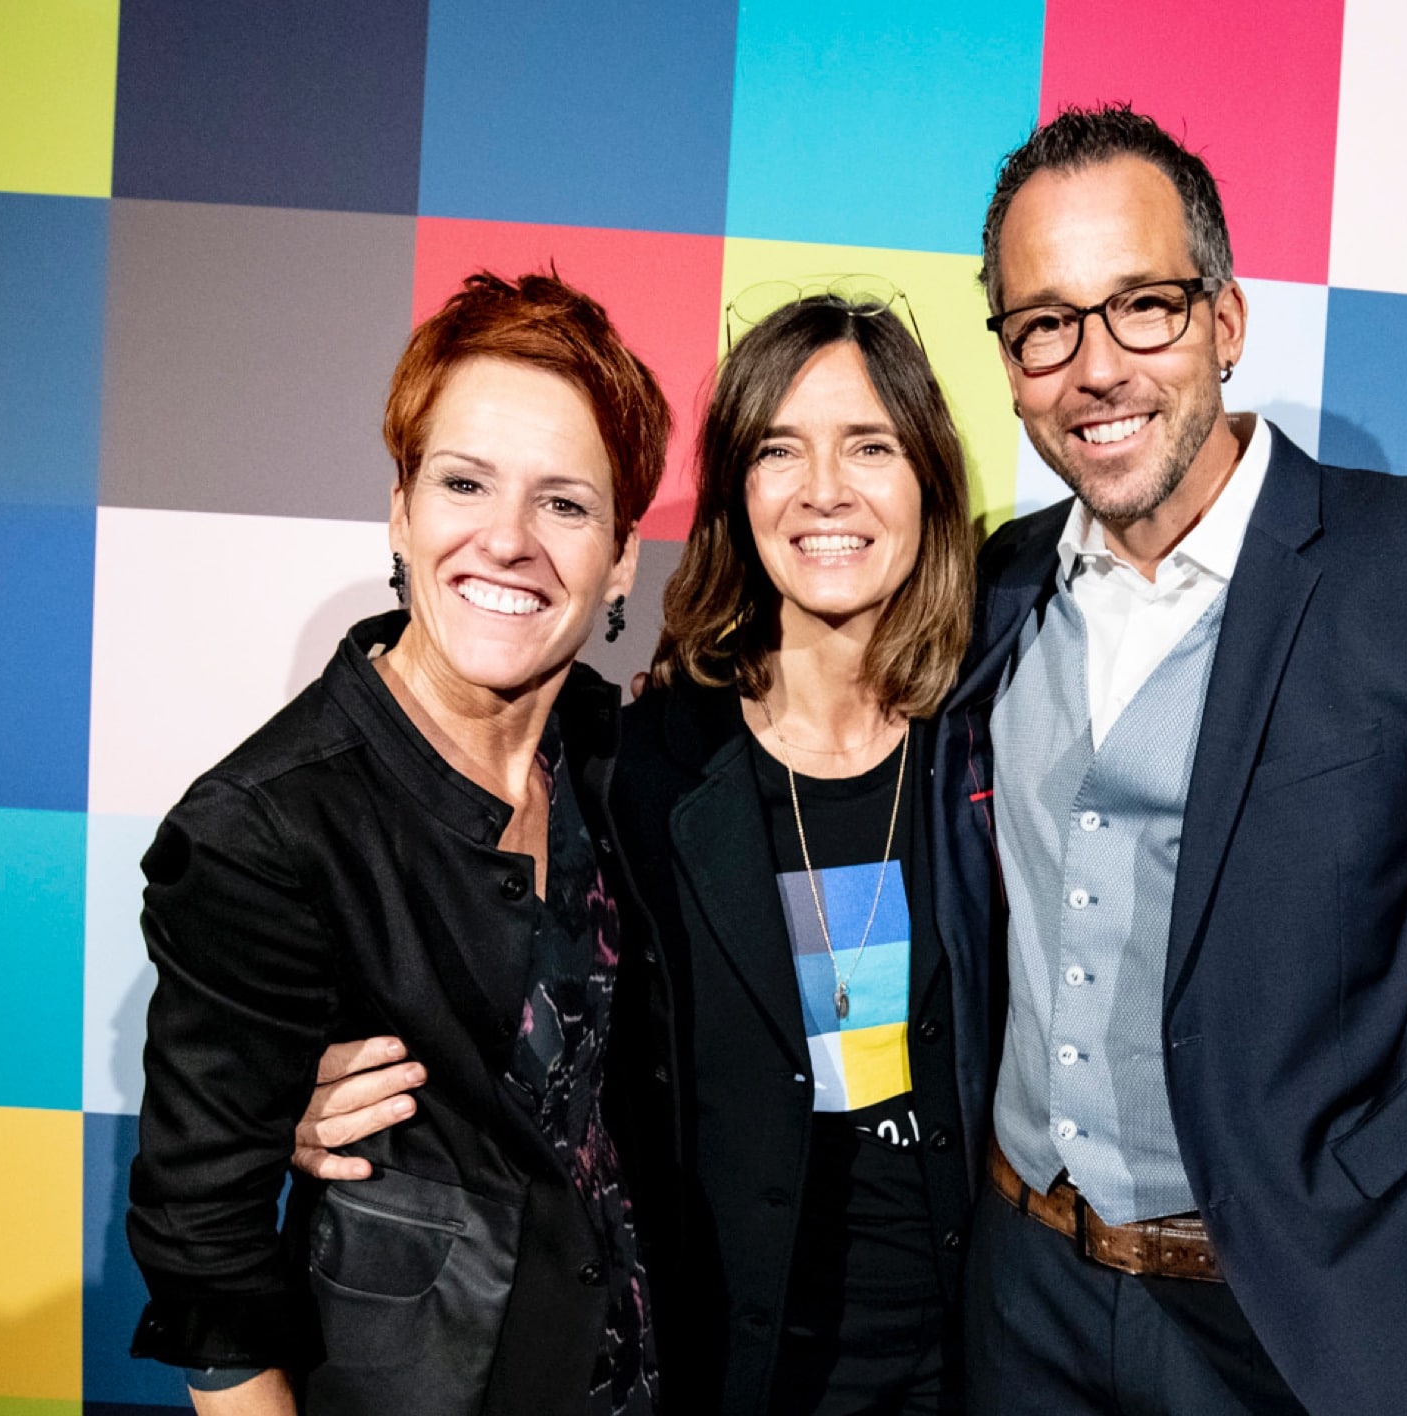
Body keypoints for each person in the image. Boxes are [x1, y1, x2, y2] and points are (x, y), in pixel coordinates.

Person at [929, 106, 1407, 1416]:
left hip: (1298, 1318)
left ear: (1225, 322)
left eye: (1144, 308)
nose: (1096, 366)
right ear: (1010, 363)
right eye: (1046, 324)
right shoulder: (992, 586)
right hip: (1024, 1298)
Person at [293, 289, 982, 1415]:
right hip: (717, 1369)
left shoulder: (996, 734)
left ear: (930, 483)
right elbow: (471, 977)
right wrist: (308, 1097)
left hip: (968, 1361)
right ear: (735, 494)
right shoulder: (637, 762)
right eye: (779, 450)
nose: (826, 492)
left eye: (871, 446)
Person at [125, 270, 677, 1416]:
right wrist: (286, 1106)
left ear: (623, 556)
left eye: (565, 505)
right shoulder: (261, 828)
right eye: (464, 482)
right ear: (400, 510)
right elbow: (207, 1270)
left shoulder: (618, 758)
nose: (508, 540)